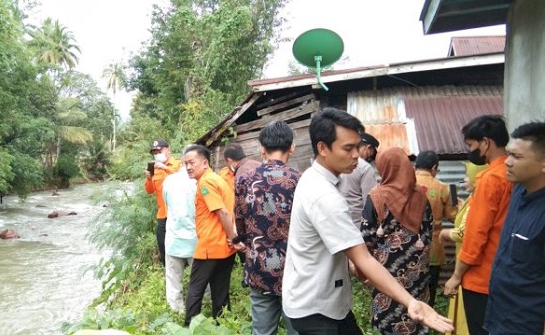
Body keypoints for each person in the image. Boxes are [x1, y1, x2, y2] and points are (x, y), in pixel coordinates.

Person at [282, 107, 453, 335]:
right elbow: (362, 256)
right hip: (317, 308)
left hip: (322, 299)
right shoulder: (324, 196)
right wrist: (410, 301)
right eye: (348, 148)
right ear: (322, 148)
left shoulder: (314, 178)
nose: (357, 155)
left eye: (358, 146)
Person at [443, 115, 512, 335]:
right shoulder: (513, 174)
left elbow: (475, 234)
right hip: (507, 272)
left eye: (471, 145)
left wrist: (456, 276)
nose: (472, 151)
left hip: (482, 277)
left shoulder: (490, 179)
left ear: (486, 142)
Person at [235, 121, 301, 335]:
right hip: (296, 268)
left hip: (260, 268)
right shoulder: (300, 181)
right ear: (292, 147)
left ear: (261, 148)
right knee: (299, 328)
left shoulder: (245, 180)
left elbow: (240, 222)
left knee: (262, 331)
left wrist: (246, 244)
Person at [361, 147, 434, 335]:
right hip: (417, 273)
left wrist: (365, 270)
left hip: (385, 274)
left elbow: (367, 237)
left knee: (389, 318)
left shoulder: (377, 196)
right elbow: (428, 233)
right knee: (416, 314)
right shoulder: (421, 197)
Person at [484, 121, 545, 335]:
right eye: (509, 154)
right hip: (499, 316)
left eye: (517, 157)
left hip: (527, 325)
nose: (507, 162)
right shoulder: (519, 191)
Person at [181, 145, 237, 326]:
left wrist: (234, 237)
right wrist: (232, 238)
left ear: (204, 163)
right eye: (185, 164)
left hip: (210, 246)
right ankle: (223, 325)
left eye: (192, 162)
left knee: (195, 290)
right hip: (225, 248)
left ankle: (190, 327)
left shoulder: (206, 183)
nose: (188, 167)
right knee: (221, 291)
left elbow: (222, 212)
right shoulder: (219, 179)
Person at [439, 162, 487, 335]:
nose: (464, 179)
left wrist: (445, 233)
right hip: (465, 263)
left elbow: (465, 233)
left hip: (468, 266)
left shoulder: (478, 200)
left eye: (468, 175)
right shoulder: (473, 198)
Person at [414, 150, 458, 307]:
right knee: (430, 288)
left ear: (416, 166)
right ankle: (426, 321)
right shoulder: (445, 188)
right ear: (434, 168)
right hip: (432, 247)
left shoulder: (404, 184)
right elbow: (455, 216)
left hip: (406, 246)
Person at [162, 144, 198, 313]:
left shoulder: (169, 181)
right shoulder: (198, 181)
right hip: (195, 239)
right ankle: (200, 309)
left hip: (174, 238)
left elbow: (166, 203)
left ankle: (176, 311)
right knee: (199, 279)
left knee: (173, 279)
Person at [144, 139, 180, 266]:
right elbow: (149, 191)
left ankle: (187, 271)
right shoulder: (155, 169)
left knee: (182, 244)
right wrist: (148, 178)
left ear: (167, 151)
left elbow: (183, 178)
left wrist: (165, 168)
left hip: (178, 214)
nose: (156, 154)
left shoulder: (178, 164)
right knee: (162, 243)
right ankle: (167, 269)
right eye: (154, 152)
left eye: (159, 151)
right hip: (163, 214)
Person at [340, 132, 379, 228]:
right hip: (359, 225)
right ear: (368, 148)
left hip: (340, 223)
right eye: (372, 153)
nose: (370, 157)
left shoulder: (338, 162)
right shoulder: (365, 168)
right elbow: (370, 201)